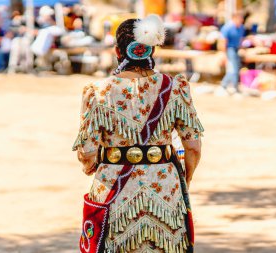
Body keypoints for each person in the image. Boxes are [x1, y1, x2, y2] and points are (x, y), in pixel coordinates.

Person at [73, 15, 204, 252]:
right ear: (150, 50)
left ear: (117, 51)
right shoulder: (174, 87)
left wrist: (90, 166)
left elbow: (88, 152)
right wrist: (186, 177)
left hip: (113, 186)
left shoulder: (99, 91)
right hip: (165, 188)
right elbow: (193, 146)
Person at [220, 12, 245, 93]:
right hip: (229, 49)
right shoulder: (227, 28)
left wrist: (241, 48)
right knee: (233, 69)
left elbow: (240, 39)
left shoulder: (241, 27)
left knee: (236, 68)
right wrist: (224, 54)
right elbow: (223, 42)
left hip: (236, 48)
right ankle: (233, 86)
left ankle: (225, 85)